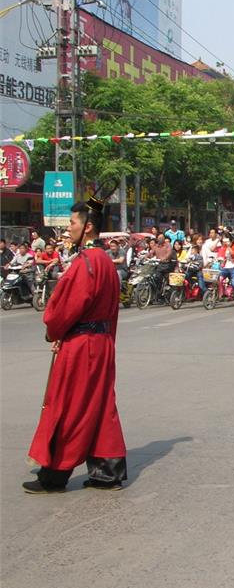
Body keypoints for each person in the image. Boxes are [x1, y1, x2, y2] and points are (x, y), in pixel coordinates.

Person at [23, 199, 126, 493]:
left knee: (68, 405)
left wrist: (55, 332)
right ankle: (107, 472)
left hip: (81, 345)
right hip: (101, 342)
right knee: (101, 404)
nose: (69, 229)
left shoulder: (86, 263)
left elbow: (63, 309)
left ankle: (55, 474)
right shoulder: (105, 262)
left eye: (72, 223)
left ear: (88, 226)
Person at [216, 235, 234, 307]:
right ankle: (220, 294)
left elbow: (233, 254)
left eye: (228, 241)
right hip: (225, 267)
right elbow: (221, 254)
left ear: (231, 241)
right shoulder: (224, 247)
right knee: (219, 278)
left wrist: (229, 247)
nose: (226, 242)